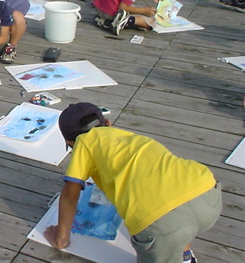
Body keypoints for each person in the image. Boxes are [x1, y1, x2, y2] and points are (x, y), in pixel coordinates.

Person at [45, 103, 221, 263]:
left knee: (170, 228)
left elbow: (70, 195)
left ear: (70, 143)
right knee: (178, 217)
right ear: (108, 123)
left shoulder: (84, 143)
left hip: (164, 224)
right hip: (207, 193)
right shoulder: (129, 138)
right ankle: (184, 254)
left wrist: (62, 238)